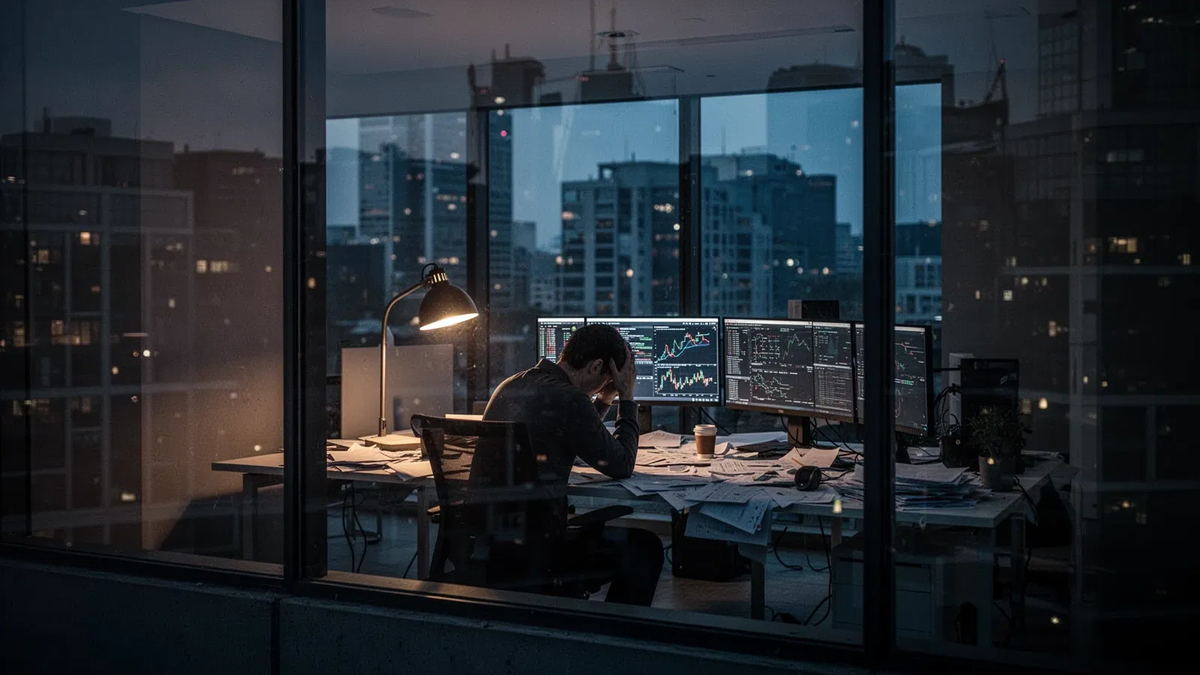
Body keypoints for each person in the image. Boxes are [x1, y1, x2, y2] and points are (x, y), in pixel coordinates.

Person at [482, 324, 664, 606]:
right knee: (646, 548)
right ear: (596, 366)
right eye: (606, 380)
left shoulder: (511, 384)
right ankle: (620, 641)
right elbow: (622, 463)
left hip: (492, 540)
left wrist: (604, 397)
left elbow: (575, 432)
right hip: (540, 549)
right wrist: (627, 397)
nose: (607, 386)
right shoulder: (570, 399)